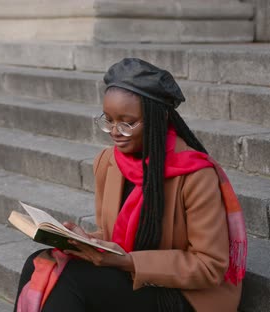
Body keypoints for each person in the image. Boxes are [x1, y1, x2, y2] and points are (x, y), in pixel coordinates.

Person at [14, 58, 247, 312]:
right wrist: (83, 241)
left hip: (183, 294)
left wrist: (127, 261)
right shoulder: (108, 162)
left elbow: (209, 266)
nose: (115, 131)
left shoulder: (196, 175)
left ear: (159, 119)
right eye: (109, 120)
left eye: (127, 123)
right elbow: (113, 234)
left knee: (71, 280)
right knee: (40, 263)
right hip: (133, 273)